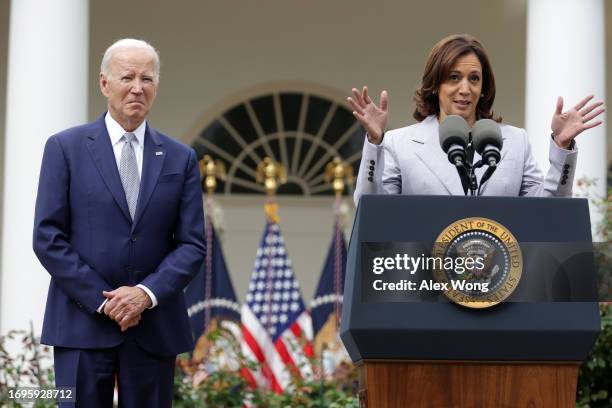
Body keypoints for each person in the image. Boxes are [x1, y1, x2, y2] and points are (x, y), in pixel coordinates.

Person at [33, 39, 205, 407]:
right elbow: (48, 237)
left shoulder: (181, 158)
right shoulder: (65, 148)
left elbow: (192, 244)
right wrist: (106, 302)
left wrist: (144, 295)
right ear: (104, 83)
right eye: (127, 77)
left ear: (157, 87)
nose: (138, 88)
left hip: (153, 327)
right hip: (82, 324)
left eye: (148, 79)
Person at [348, 34, 605, 203]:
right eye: (453, 77)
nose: (465, 89)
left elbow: (549, 210)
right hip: (425, 279)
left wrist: (561, 148)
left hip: (503, 276)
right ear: (435, 85)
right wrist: (374, 141)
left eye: (474, 79)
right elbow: (372, 210)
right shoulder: (398, 143)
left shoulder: (515, 141)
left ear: (483, 87)